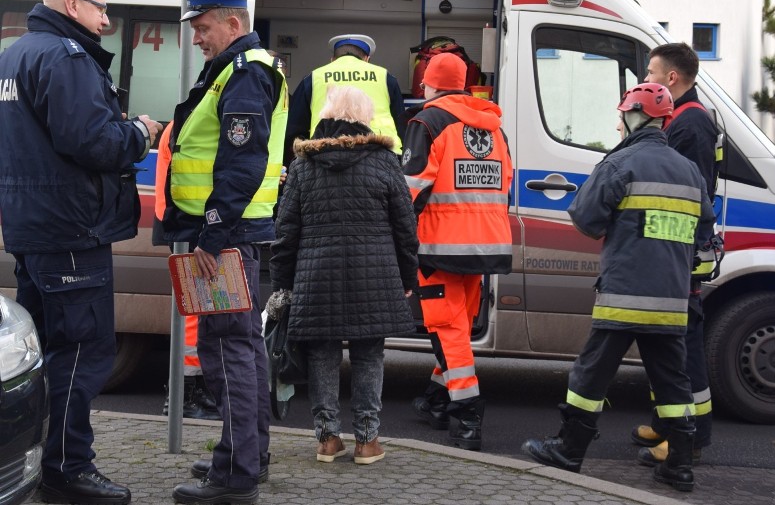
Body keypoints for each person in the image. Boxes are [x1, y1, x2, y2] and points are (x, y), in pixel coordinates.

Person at [0, 0, 162, 505]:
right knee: (81, 353)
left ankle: (31, 461)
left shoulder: (14, 56)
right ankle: (68, 469)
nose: (106, 19)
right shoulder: (66, 59)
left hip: (31, 226)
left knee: (39, 355)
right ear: (73, 5)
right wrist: (138, 131)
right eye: (101, 9)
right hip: (72, 228)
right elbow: (94, 144)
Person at [521, 84, 715, 492]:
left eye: (622, 114)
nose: (618, 120)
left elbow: (585, 218)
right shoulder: (689, 171)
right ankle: (680, 465)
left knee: (590, 375)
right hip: (671, 302)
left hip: (624, 295)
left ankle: (569, 449)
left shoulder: (620, 163)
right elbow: (703, 232)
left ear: (634, 117)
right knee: (673, 383)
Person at [164, 0, 288, 505]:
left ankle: (234, 475)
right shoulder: (239, 70)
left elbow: (242, 161)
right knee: (244, 348)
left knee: (224, 349)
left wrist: (212, 233)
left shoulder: (244, 72)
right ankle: (247, 454)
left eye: (203, 27)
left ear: (233, 23)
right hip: (232, 232)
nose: (197, 38)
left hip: (225, 235)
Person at [268, 85, 419, 465]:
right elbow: (406, 228)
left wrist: (283, 286)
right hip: (377, 277)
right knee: (369, 355)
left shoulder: (304, 164)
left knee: (321, 354)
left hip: (315, 277)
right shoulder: (384, 161)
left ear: (327, 115)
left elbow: (286, 234)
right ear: (364, 118)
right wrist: (407, 277)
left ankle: (328, 439)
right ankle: (368, 441)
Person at [401, 53, 513, 451]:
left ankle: (467, 417)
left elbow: (409, 190)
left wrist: (398, 243)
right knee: (459, 328)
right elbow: (506, 181)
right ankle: (436, 399)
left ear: (427, 85)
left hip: (440, 247)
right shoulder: (494, 127)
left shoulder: (427, 122)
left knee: (447, 331)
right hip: (486, 245)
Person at [631, 42, 723, 466]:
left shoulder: (691, 124)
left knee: (683, 348)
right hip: (669, 251)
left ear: (671, 78)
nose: (644, 80)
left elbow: (692, 195)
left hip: (680, 255)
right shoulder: (679, 119)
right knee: (662, 343)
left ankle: (693, 437)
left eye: (650, 73)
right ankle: (666, 423)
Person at [153, 121, 219, 421]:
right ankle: (183, 394)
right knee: (194, 311)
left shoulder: (182, 121)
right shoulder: (193, 122)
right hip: (188, 224)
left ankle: (192, 390)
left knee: (198, 309)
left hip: (180, 223)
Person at [287, 34, 406, 153]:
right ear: (367, 59)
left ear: (332, 60)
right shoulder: (385, 77)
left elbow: (294, 128)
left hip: (324, 153)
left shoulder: (313, 78)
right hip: (382, 154)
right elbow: (402, 123)